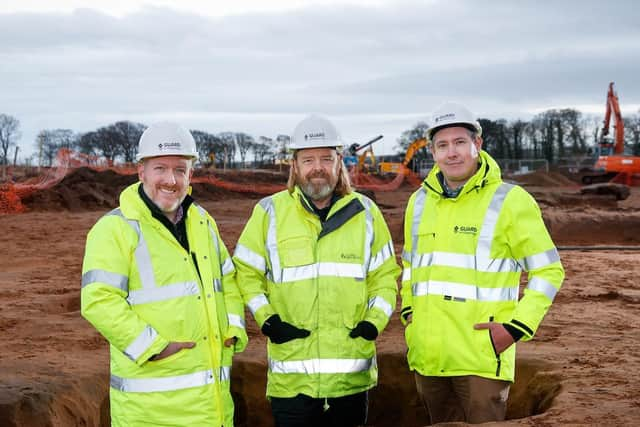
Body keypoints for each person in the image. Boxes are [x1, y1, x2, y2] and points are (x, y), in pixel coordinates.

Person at [401, 102, 564, 424]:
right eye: (442, 145)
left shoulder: (510, 201)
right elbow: (410, 266)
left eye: (460, 142)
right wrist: (410, 313)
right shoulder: (418, 202)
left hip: (480, 354)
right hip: (428, 351)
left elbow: (548, 270)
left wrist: (516, 328)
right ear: (432, 152)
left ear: (477, 145)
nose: (452, 153)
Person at [233, 114, 400, 427]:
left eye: (326, 158)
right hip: (292, 380)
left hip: (350, 377)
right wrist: (268, 320)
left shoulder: (365, 213)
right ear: (294, 166)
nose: (318, 167)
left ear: (339, 163)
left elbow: (385, 277)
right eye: (308, 159)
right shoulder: (269, 212)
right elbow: (246, 272)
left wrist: (373, 323)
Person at [81, 122, 247, 426]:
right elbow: (98, 300)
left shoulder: (203, 223)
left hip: (213, 407)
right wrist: (152, 347)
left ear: (190, 175)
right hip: (151, 413)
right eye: (160, 168)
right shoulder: (115, 229)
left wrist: (232, 328)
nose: (171, 180)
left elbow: (228, 281)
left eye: (180, 170)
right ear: (141, 171)